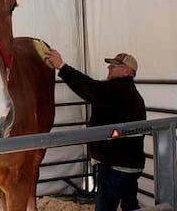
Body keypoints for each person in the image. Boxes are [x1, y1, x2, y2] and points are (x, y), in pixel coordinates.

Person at [45, 50, 146, 211]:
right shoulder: (133, 94)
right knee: (130, 204)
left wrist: (62, 67)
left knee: (105, 207)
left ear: (128, 71)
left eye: (114, 66)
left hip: (115, 165)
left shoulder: (117, 90)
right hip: (132, 164)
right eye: (110, 65)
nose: (109, 68)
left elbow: (90, 88)